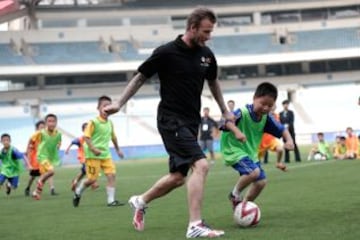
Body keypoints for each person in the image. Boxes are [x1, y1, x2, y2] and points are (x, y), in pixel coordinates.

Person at [103, 7, 230, 238]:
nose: (209, 36)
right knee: (201, 165)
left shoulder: (207, 55)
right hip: (171, 119)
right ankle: (195, 225)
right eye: (206, 31)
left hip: (190, 122)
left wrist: (224, 111)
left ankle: (140, 201)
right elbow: (140, 77)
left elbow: (213, 82)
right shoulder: (166, 52)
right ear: (192, 28)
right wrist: (119, 104)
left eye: (210, 31)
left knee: (178, 177)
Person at [220, 82, 294, 211]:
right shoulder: (242, 112)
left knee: (260, 182)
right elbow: (227, 122)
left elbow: (282, 129)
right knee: (253, 172)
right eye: (263, 104)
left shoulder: (266, 118)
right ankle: (234, 195)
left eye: (270, 105)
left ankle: (243, 208)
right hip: (233, 149)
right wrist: (237, 132)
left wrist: (289, 140)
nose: (266, 108)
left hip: (249, 152)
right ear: (254, 98)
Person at [72, 95, 125, 207]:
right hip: (92, 155)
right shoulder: (93, 122)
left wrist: (118, 150)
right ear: (98, 108)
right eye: (104, 106)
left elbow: (113, 138)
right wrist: (93, 148)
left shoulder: (110, 123)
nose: (107, 108)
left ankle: (111, 201)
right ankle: (78, 192)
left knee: (111, 175)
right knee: (92, 179)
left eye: (109, 106)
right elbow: (86, 137)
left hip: (105, 155)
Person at [29, 114, 61, 200]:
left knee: (45, 175)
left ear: (56, 122)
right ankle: (39, 182)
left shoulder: (58, 134)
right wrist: (31, 146)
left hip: (50, 157)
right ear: (46, 123)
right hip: (42, 156)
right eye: (49, 121)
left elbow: (59, 142)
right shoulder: (41, 133)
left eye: (53, 121)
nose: (51, 123)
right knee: (51, 171)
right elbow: (31, 139)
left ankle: (36, 192)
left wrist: (58, 146)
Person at [65, 122, 98, 192]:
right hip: (83, 158)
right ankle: (93, 183)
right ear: (83, 130)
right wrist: (67, 149)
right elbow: (73, 142)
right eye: (85, 128)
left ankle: (75, 181)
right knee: (89, 170)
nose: (87, 129)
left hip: (90, 157)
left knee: (84, 172)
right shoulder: (81, 138)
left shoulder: (91, 137)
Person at [258, 105, 286, 171]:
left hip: (271, 139)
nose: (273, 107)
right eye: (271, 106)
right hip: (260, 142)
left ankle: (278, 163)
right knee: (256, 165)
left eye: (274, 105)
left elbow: (278, 126)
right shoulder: (261, 115)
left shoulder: (276, 116)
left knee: (280, 149)